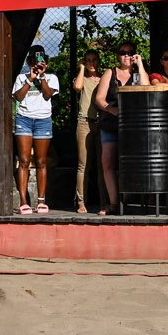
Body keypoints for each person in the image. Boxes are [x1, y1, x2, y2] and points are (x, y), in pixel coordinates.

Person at [93, 40, 150, 215]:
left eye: (130, 52)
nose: (126, 56)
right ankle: (113, 203)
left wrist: (140, 66)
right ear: (118, 55)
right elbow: (99, 99)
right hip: (112, 122)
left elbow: (147, 89)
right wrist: (112, 110)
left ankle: (128, 199)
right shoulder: (110, 73)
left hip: (133, 125)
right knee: (108, 162)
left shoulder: (138, 73)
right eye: (123, 52)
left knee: (131, 162)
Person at [12, 44, 57, 215]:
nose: (38, 63)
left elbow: (47, 94)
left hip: (43, 120)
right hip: (24, 119)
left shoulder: (51, 78)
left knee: (41, 161)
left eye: (41, 60)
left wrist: (42, 76)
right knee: (23, 161)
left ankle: (41, 201)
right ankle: (23, 201)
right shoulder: (21, 77)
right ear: (29, 61)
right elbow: (18, 97)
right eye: (34, 59)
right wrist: (30, 80)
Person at [71, 49, 103, 214]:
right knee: (83, 165)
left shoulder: (103, 78)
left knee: (102, 165)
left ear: (99, 62)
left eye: (94, 60)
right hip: (84, 122)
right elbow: (77, 87)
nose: (91, 63)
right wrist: (82, 68)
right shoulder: (82, 78)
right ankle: (81, 202)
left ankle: (104, 202)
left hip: (101, 122)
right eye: (88, 60)